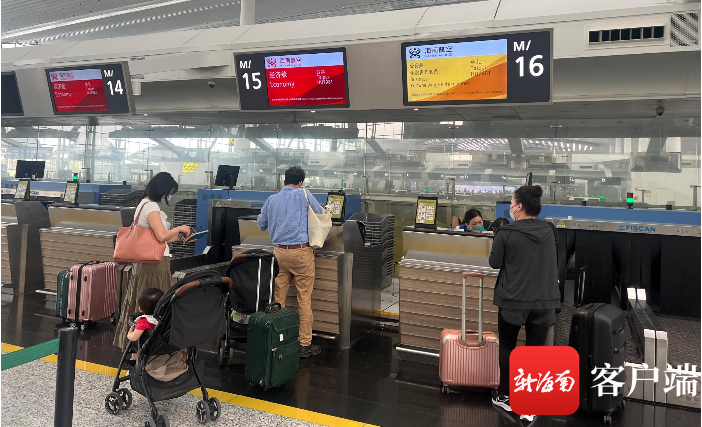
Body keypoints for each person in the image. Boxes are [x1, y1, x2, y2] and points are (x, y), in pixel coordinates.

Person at [488, 185, 559, 422]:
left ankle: (505, 395)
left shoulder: (505, 233)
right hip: (545, 301)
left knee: (508, 346)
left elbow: (494, 263)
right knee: (535, 352)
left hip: (513, 300)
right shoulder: (550, 230)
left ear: (519, 207)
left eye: (511, 203)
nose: (510, 207)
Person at [113, 172, 191, 351]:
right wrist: (180, 228)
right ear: (161, 189)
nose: (167, 196)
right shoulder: (151, 206)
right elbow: (161, 235)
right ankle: (149, 345)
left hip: (148, 261)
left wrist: (178, 237)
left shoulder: (144, 204)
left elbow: (158, 237)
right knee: (153, 303)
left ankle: (135, 345)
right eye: (168, 192)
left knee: (141, 300)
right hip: (153, 263)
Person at [257, 166, 324, 358]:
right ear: (301, 182)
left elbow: (261, 225)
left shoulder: (271, 200)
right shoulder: (304, 194)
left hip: (279, 253)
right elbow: (320, 214)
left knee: (278, 298)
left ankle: (278, 340)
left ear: (284, 180)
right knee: (304, 299)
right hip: (301, 253)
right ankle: (304, 344)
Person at [127, 288, 164, 360]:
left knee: (132, 344)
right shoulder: (165, 317)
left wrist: (129, 334)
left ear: (140, 309)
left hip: (149, 346)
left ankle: (133, 359)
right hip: (164, 344)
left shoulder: (144, 321)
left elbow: (134, 337)